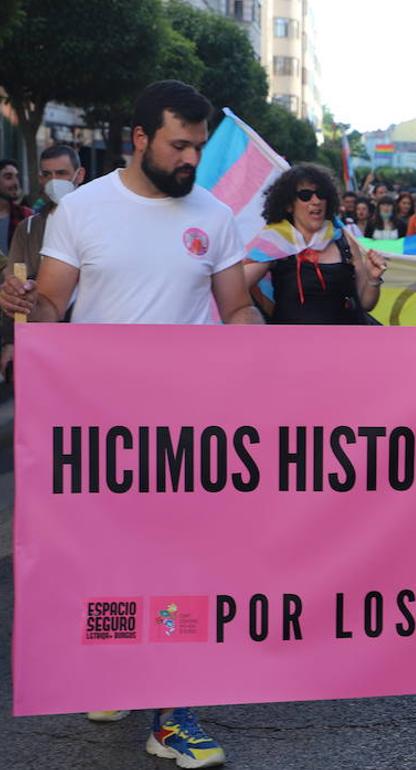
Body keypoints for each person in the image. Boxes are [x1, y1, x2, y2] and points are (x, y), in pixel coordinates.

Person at [0, 79, 264, 770]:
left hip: (189, 432)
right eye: (179, 145)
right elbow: (54, 306)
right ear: (139, 138)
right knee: (111, 563)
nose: (191, 160)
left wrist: (252, 331)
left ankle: (173, 713)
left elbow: (234, 307)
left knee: (183, 566)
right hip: (100, 428)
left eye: (199, 147)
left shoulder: (215, 213)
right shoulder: (83, 211)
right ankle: (115, 670)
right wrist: (28, 301)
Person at [244, 163, 387, 325]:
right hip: (292, 346)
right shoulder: (274, 242)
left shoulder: (345, 240)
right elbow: (234, 288)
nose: (316, 200)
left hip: (345, 343)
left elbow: (366, 303)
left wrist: (373, 279)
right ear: (289, 205)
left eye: (321, 194)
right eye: (306, 195)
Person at [1, 145, 86, 379]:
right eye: (47, 174)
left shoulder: (99, 224)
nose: (53, 181)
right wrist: (11, 341)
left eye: (61, 173)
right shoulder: (28, 228)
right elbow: (13, 287)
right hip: (43, 344)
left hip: (90, 340)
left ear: (79, 175)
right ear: (39, 177)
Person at [0, 158, 32, 257]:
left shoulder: (27, 216)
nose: (15, 183)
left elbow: (27, 259)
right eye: (8, 177)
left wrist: (16, 272)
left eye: (17, 177)